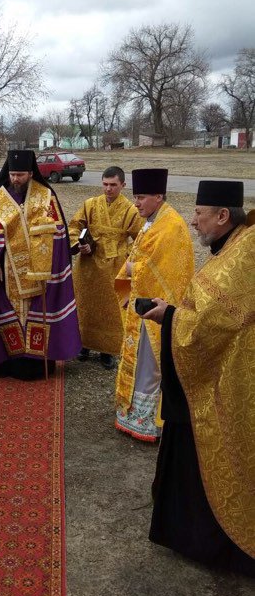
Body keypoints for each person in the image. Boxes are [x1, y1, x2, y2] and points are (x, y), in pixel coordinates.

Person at [143, 180, 254, 575]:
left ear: (223, 216)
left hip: (227, 379)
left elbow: (209, 327)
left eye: (200, 215)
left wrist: (169, 316)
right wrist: (175, 311)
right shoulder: (239, 244)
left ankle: (210, 542)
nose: (193, 223)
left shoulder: (241, 258)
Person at [0, 149, 81, 379]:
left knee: (35, 315)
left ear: (31, 173)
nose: (15, 179)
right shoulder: (1, 199)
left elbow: (59, 235)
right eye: (12, 174)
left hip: (39, 272)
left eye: (20, 174)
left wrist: (48, 266)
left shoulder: (46, 197)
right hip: (8, 271)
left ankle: (35, 363)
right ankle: (7, 360)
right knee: (11, 314)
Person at [114, 168, 194, 442]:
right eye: (135, 196)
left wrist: (130, 267)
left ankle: (148, 422)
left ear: (158, 196)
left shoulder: (170, 226)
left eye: (141, 197)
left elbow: (163, 268)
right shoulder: (152, 220)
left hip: (158, 306)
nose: (136, 202)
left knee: (150, 363)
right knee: (140, 360)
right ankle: (132, 414)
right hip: (144, 300)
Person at [68, 166, 143, 369]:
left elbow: (141, 240)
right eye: (105, 184)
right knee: (85, 304)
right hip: (88, 265)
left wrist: (128, 254)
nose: (108, 189)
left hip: (115, 266)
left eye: (113, 185)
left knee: (112, 308)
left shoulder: (131, 211)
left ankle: (107, 350)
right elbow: (74, 226)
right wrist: (79, 244)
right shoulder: (90, 204)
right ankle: (83, 345)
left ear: (123, 185)